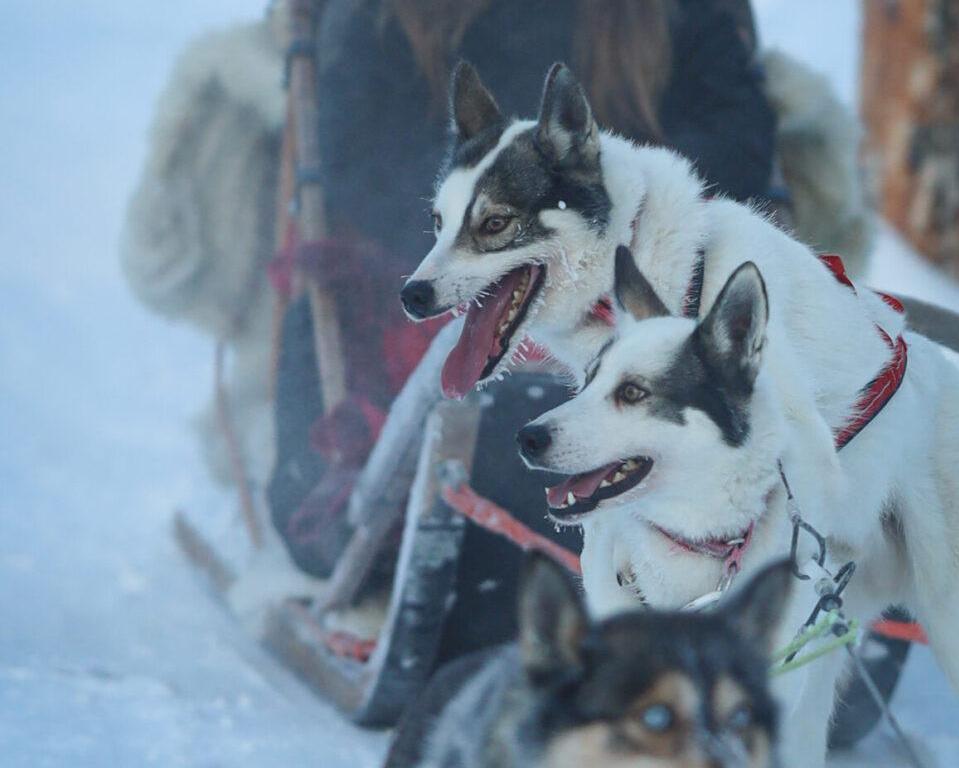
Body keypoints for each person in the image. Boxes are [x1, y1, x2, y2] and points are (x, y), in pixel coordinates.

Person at [268, 0, 778, 576]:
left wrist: (619, 193)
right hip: (447, 274)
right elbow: (358, 154)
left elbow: (738, 136)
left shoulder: (669, 13)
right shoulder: (395, 17)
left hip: (652, 272)